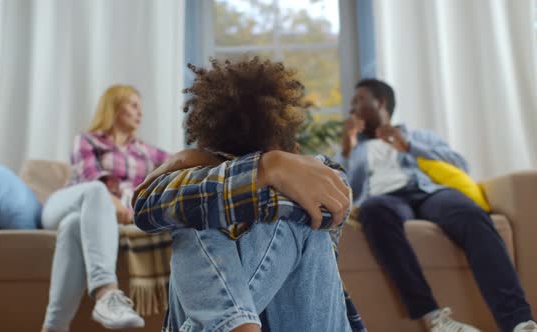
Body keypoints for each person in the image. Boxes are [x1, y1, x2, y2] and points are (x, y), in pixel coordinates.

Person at [133, 58, 364, 332]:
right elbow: (145, 208)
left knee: (294, 212)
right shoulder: (201, 181)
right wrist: (266, 168)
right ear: (295, 146)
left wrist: (262, 168)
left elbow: (323, 207)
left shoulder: (323, 173)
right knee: (197, 213)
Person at [335, 79, 537, 332]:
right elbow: (346, 189)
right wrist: (348, 150)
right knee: (373, 212)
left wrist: (409, 146)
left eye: (358, 100)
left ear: (380, 103)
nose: (351, 108)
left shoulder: (417, 135)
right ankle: (435, 320)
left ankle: (519, 323)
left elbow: (460, 165)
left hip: (428, 193)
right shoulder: (355, 148)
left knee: (470, 214)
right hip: (385, 200)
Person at [41, 85, 169, 332]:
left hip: (86, 218)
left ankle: (53, 327)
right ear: (114, 106)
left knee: (73, 227)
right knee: (96, 192)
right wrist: (117, 204)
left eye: (140, 108)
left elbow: (178, 161)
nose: (139, 113)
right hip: (65, 204)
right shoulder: (88, 139)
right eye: (133, 105)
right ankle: (106, 292)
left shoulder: (144, 150)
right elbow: (90, 178)